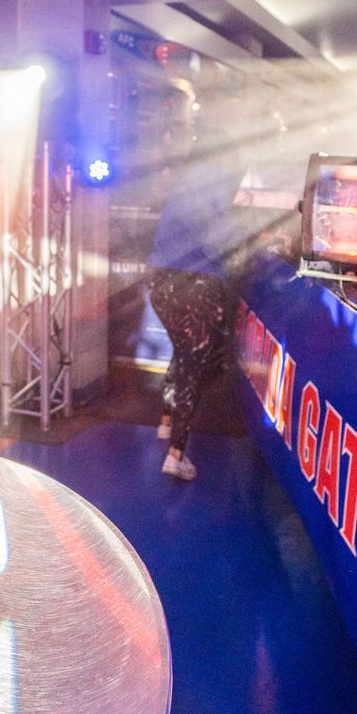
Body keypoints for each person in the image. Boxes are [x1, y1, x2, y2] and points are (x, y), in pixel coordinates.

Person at [145, 146, 245, 482]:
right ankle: (177, 455)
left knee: (180, 353)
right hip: (196, 285)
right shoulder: (215, 180)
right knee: (192, 367)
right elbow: (221, 239)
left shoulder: (188, 179)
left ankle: (166, 422)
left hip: (161, 282)